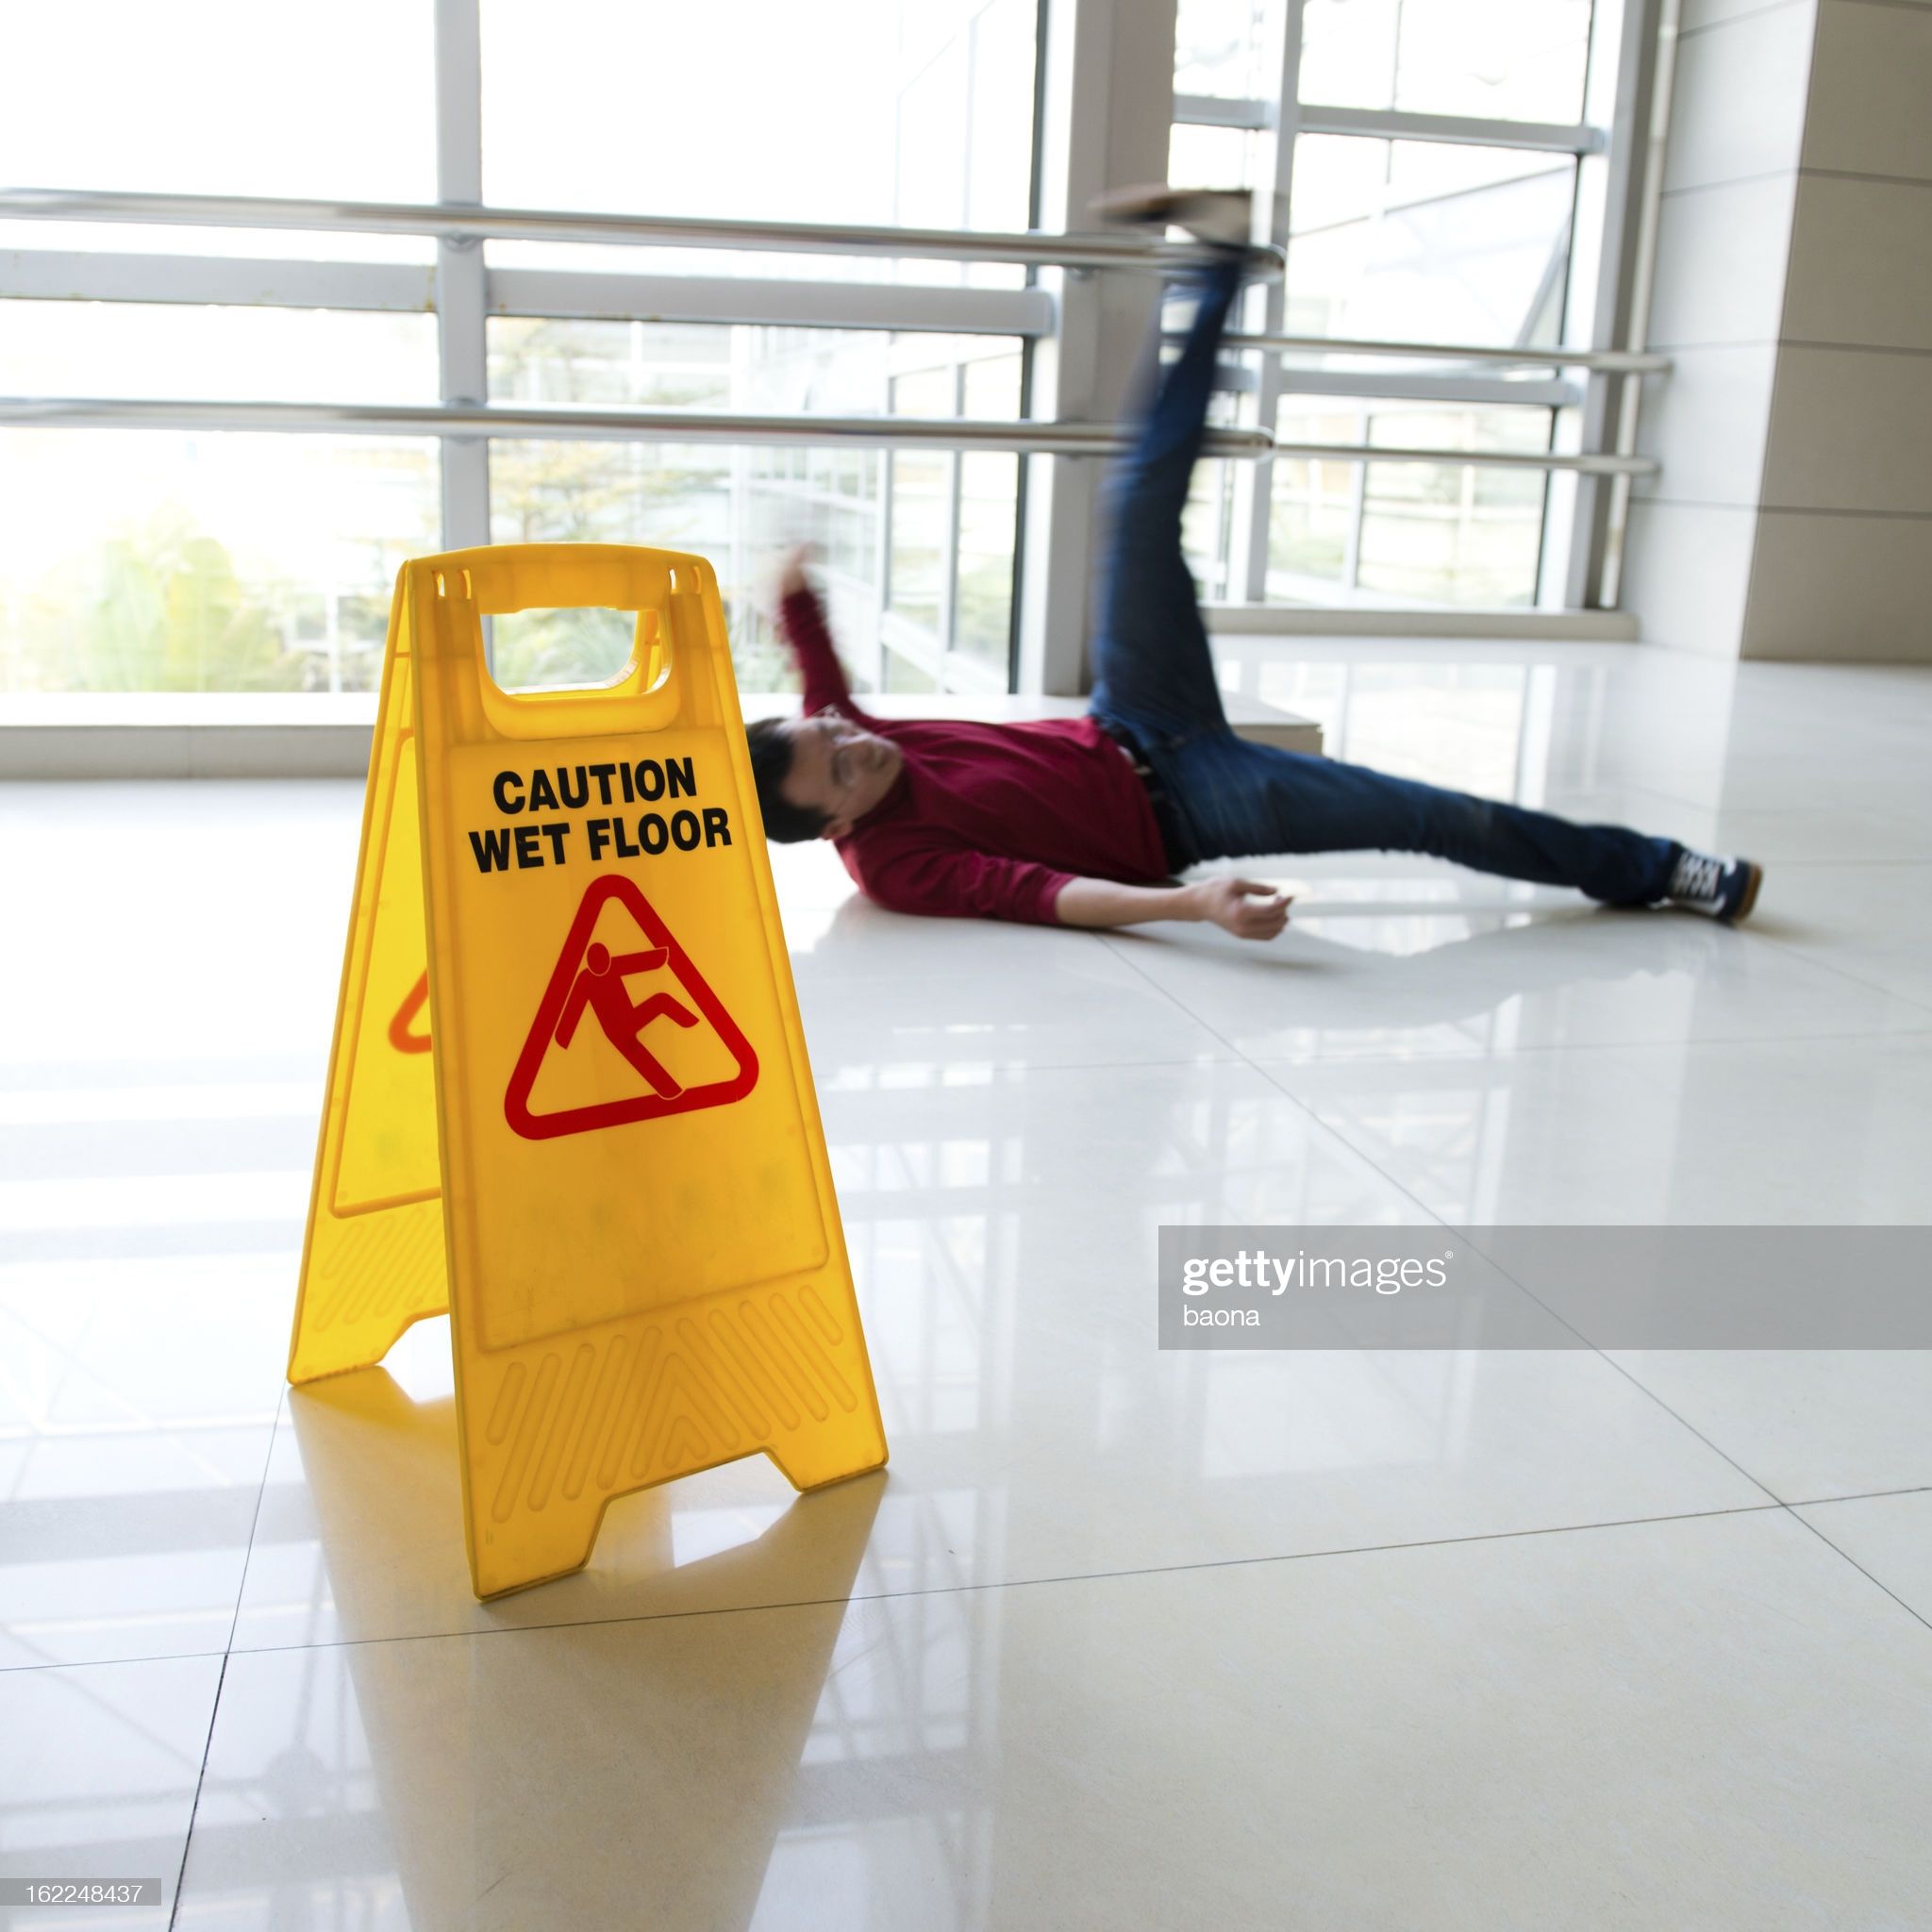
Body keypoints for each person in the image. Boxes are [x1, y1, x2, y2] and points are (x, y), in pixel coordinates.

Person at [745, 189, 1763, 941]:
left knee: (1135, 507)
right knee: (1426, 813)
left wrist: (790, 588)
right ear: (832, 819)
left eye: (833, 730)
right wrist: (1194, 900)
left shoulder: (849, 733)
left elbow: (818, 669)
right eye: (839, 765)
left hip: (1132, 713)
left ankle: (1219, 257)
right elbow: (1047, 896)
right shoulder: (895, 865)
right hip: (1197, 801)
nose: (855, 742)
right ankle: (1659, 867)